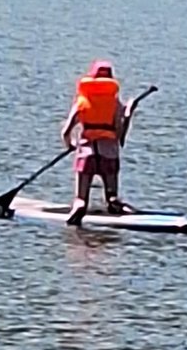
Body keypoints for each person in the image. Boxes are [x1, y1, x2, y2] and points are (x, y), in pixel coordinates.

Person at [59, 60, 137, 226]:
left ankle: (79, 206)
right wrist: (128, 114)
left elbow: (65, 132)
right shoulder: (115, 104)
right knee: (112, 196)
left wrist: (70, 144)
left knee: (80, 198)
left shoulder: (82, 102)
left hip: (87, 152)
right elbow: (119, 136)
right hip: (108, 152)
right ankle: (114, 203)